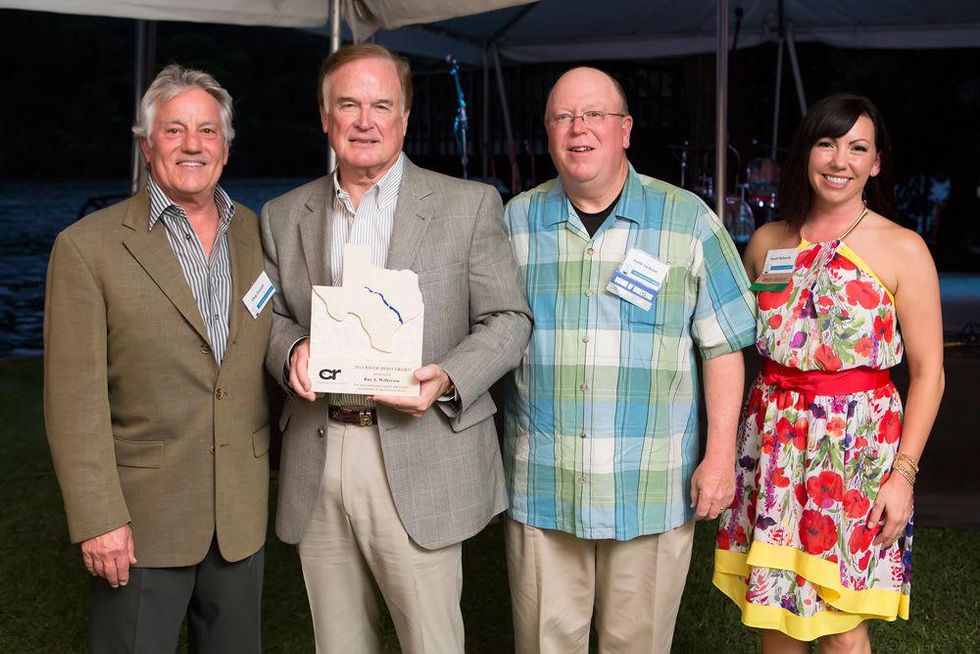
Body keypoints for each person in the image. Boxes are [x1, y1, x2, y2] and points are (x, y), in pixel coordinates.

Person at [261, 43, 531, 653]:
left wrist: (450, 377)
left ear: (404, 118)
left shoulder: (468, 205)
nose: (365, 121)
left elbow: (509, 319)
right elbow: (270, 315)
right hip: (318, 450)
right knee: (338, 642)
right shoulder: (282, 214)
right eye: (347, 105)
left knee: (431, 641)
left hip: (420, 448)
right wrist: (290, 350)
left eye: (381, 105)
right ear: (325, 117)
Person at [502, 66, 757, 653]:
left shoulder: (688, 220)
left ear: (625, 130)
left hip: (650, 486)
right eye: (563, 117)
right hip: (544, 482)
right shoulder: (515, 221)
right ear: (549, 134)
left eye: (595, 114)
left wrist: (720, 456)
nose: (579, 129)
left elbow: (723, 345)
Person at [44, 64, 271, 652]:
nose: (193, 144)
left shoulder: (258, 234)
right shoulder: (86, 248)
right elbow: (73, 403)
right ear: (147, 147)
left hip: (239, 514)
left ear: (226, 147)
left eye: (207, 130)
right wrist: (99, 517)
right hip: (142, 521)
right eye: (174, 130)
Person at [713, 94, 945, 651]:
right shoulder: (767, 242)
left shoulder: (903, 249)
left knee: (843, 629)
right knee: (775, 621)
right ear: (806, 153)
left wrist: (904, 475)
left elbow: (930, 372)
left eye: (857, 148)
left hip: (856, 454)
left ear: (876, 163)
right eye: (827, 144)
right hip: (773, 447)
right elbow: (730, 340)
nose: (840, 161)